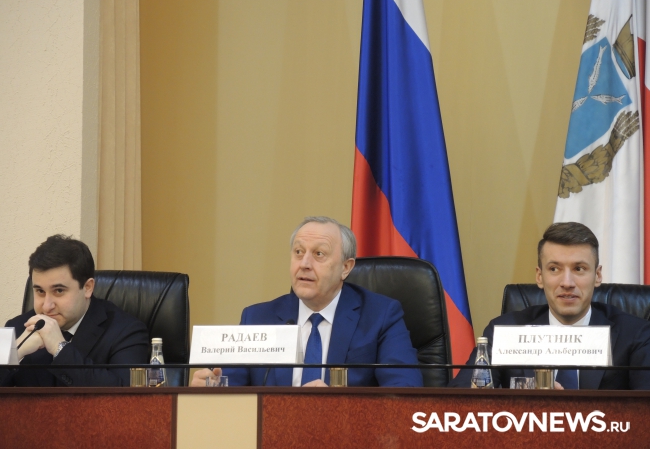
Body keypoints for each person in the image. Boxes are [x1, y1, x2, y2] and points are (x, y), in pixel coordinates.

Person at [192, 216, 422, 387]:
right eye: (299, 252)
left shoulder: (381, 316)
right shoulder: (257, 319)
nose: (304, 264)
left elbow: (404, 391)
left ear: (345, 268)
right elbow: (231, 390)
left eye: (319, 254)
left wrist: (338, 406)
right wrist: (212, 388)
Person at [449, 222, 650, 389]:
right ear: (539, 276)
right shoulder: (504, 331)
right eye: (554, 269)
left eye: (579, 269)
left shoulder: (635, 334)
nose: (567, 282)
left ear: (597, 276)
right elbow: (462, 401)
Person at [1, 235, 149, 387]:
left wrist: (59, 348)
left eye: (59, 291)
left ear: (87, 288)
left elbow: (125, 396)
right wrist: (13, 354)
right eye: (40, 291)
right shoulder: (18, 328)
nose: (46, 306)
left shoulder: (126, 332)